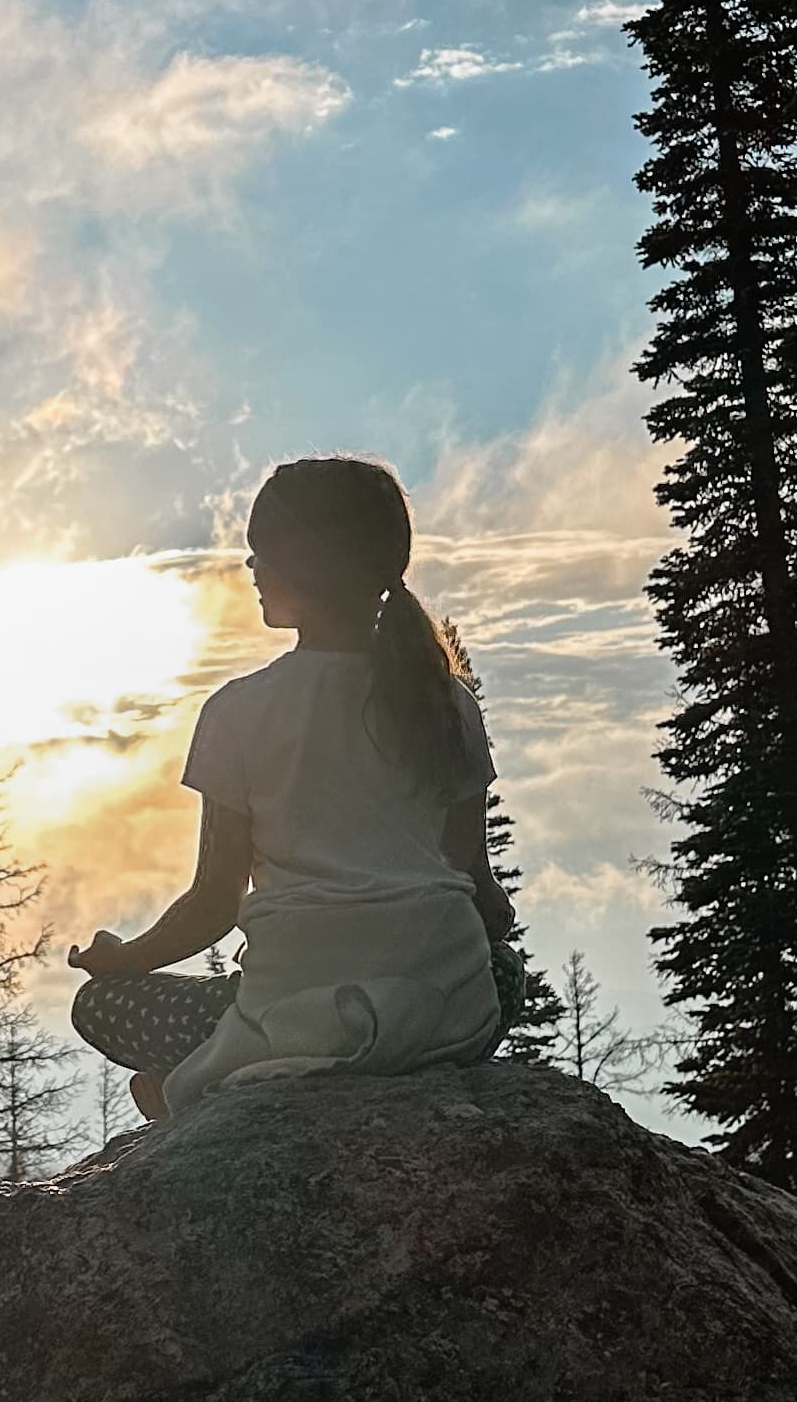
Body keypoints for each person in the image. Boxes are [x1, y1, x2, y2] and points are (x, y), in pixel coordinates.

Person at [68, 456, 519, 1122]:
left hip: (286, 1013)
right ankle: (358, 1048)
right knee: (502, 971)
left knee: (100, 1006)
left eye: (263, 552)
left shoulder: (238, 711)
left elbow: (214, 904)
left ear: (305, 569)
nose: (252, 568)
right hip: (435, 1014)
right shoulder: (448, 705)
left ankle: (210, 1075)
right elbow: (478, 888)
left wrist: (124, 958)